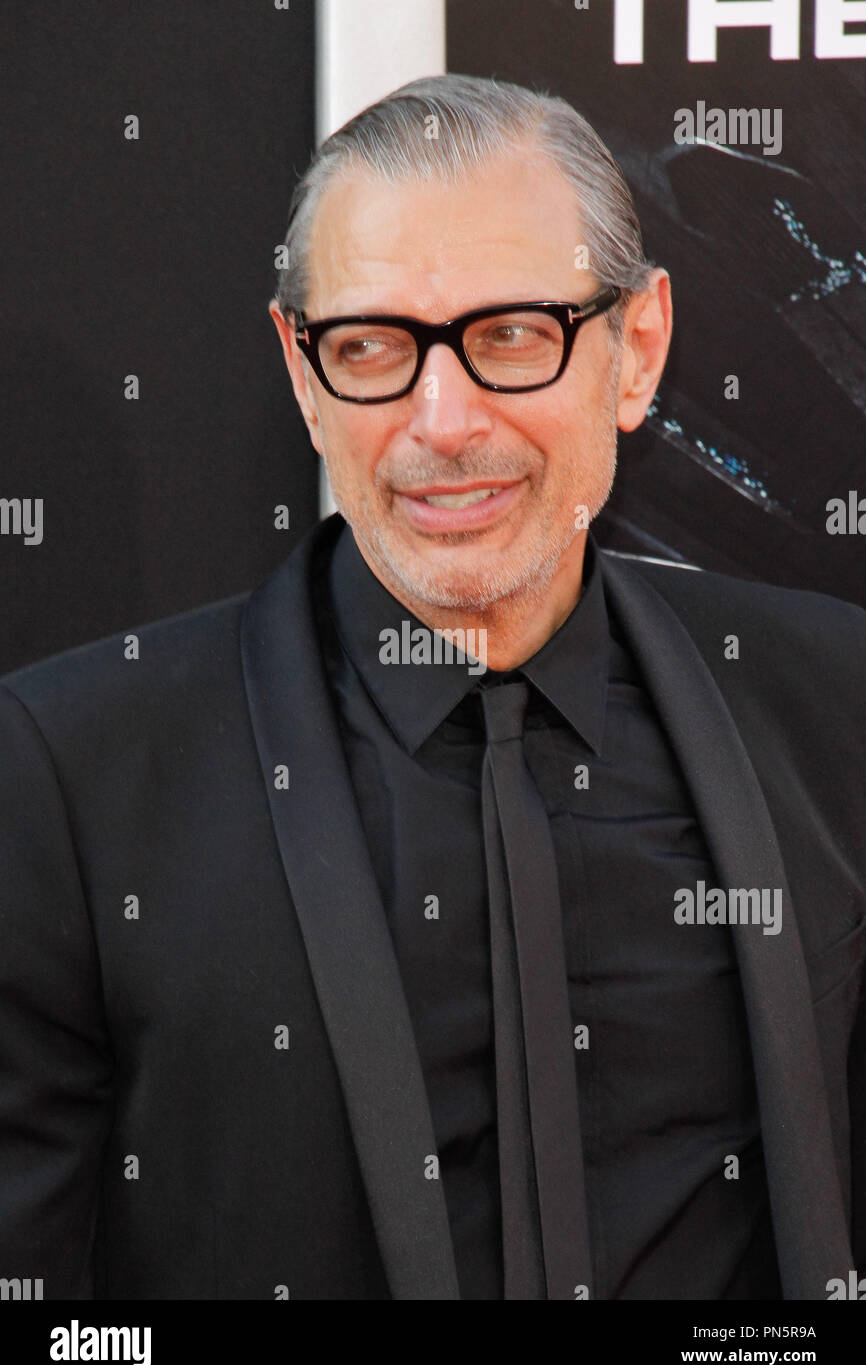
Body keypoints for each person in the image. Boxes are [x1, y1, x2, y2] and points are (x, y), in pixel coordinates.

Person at [0, 73, 863, 1302]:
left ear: (638, 350)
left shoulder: (828, 702)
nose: (441, 420)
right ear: (302, 377)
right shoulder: (75, 778)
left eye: (511, 334)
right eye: (371, 347)